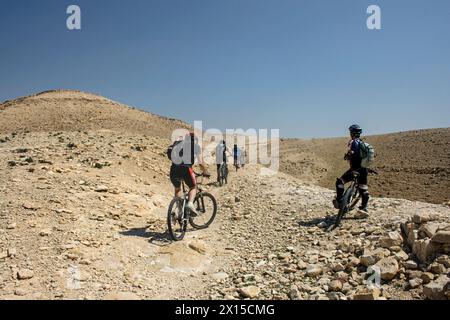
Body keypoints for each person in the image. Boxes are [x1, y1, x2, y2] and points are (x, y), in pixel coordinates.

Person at [168, 133, 209, 216]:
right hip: (186, 168)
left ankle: (179, 210)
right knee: (193, 187)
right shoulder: (195, 146)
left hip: (174, 169)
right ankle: (190, 204)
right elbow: (201, 163)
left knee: (177, 189)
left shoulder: (178, 144)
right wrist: (205, 171)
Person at [334, 124, 370, 218]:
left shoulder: (352, 142)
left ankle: (339, 200)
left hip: (354, 169)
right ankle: (364, 208)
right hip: (364, 170)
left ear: (351, 133)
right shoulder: (364, 144)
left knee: (340, 182)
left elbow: (352, 153)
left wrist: (347, 156)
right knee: (364, 189)